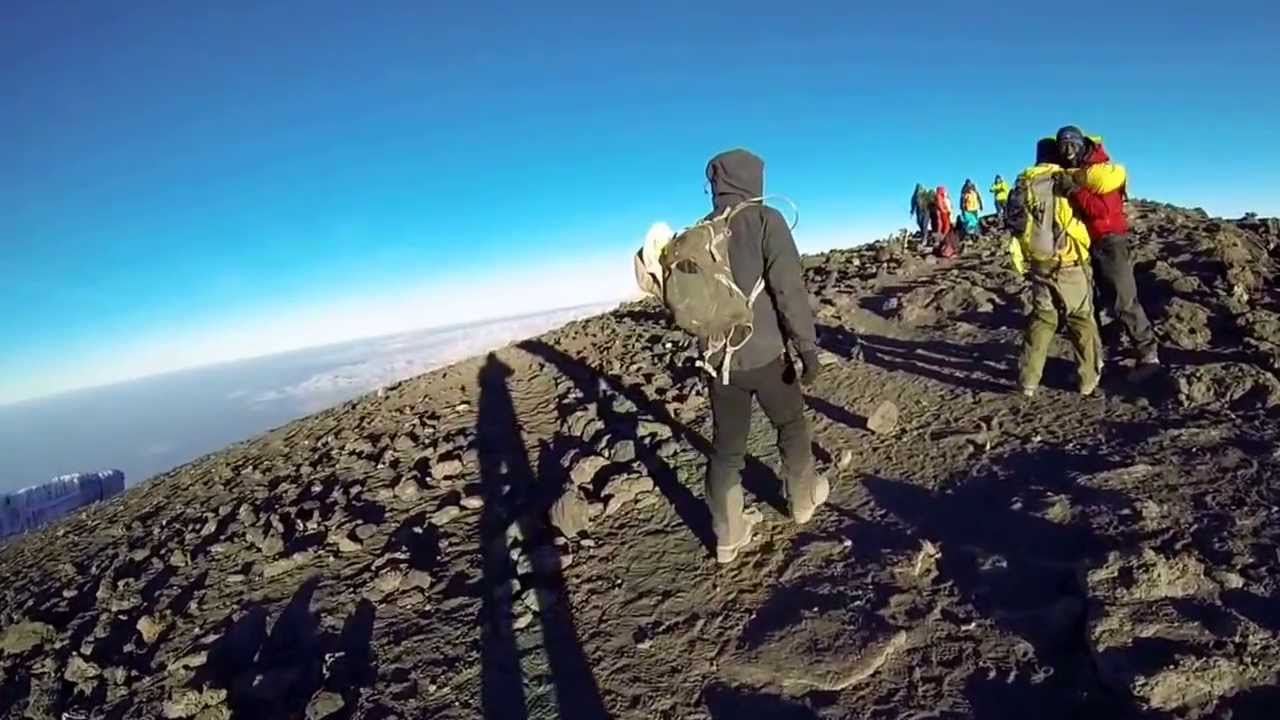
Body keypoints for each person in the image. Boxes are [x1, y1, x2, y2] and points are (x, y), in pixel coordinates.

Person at [701, 149, 828, 564]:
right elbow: (789, 290)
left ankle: (727, 536)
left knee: (726, 449)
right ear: (754, 180)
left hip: (718, 363)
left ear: (717, 183)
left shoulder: (700, 234)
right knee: (790, 423)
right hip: (768, 355)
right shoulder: (765, 220)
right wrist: (807, 348)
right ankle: (803, 501)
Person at [1053, 125, 1160, 373]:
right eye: (1062, 145)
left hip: (1112, 241)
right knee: (1096, 302)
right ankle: (1100, 356)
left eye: (1072, 144)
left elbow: (1100, 210)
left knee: (1124, 300)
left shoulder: (1101, 174)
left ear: (1082, 145)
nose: (1067, 150)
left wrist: (1074, 190)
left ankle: (1148, 354)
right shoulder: (1078, 173)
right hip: (1089, 244)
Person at [1006, 139, 1100, 397]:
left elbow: (1015, 223)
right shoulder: (1067, 179)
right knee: (1081, 318)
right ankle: (1087, 381)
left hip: (1039, 261)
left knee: (1043, 318)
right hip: (1070, 261)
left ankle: (1027, 382)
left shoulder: (1024, 181)